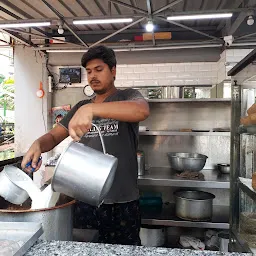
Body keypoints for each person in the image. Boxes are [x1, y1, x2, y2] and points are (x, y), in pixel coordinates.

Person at [21, 45, 150, 245]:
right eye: (89, 71)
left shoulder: (127, 97)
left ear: (113, 71)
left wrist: (93, 109)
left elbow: (141, 111)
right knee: (84, 247)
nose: (92, 76)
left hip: (123, 200)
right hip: (85, 199)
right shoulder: (81, 107)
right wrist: (38, 144)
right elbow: (54, 137)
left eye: (99, 69)